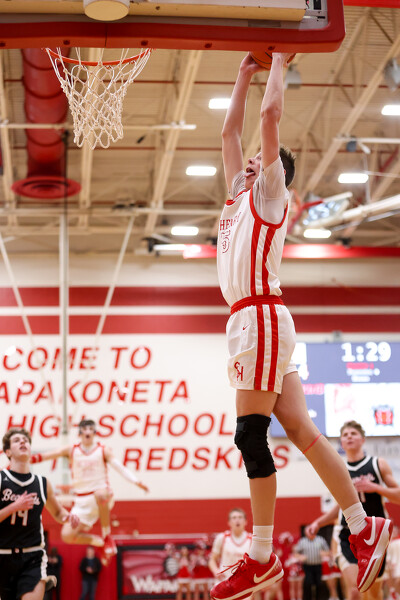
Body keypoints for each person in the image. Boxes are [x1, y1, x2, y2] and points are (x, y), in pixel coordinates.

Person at [210, 51, 393, 600]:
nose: (247, 163)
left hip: (260, 317)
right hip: (254, 321)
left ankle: (261, 557)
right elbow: (228, 133)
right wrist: (243, 73)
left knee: (250, 435)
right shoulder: (235, 198)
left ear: (272, 174)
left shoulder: (270, 196)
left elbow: (269, 119)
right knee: (303, 431)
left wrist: (280, 61)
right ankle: (363, 526)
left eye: (258, 161)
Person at [31, 419, 149, 565]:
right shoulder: (71, 450)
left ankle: (107, 536)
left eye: (90, 429)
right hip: (82, 501)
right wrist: (26, 459)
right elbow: (48, 455)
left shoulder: (102, 450)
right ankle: (99, 542)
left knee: (100, 494)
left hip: (102, 495)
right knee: (67, 535)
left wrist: (136, 481)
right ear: (80, 432)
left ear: (94, 432)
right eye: (85, 429)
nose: (87, 432)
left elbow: (119, 467)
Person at [306, 421, 400, 600]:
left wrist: (376, 488)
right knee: (356, 589)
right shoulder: (339, 469)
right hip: (347, 535)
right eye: (345, 435)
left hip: (375, 536)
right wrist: (319, 522)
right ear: (341, 442)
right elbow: (339, 507)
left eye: (353, 433)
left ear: (362, 439)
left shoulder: (378, 464)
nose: (349, 436)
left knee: (373, 592)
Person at [0, 428, 79, 600]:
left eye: (25, 440)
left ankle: (39, 579)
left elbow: (58, 512)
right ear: (8, 452)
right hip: (2, 555)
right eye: (16, 440)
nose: (22, 442)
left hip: (32, 556)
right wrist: (14, 507)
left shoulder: (42, 483)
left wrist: (67, 517)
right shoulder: (1, 479)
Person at [209, 508, 252, 582]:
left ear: (245, 522)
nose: (237, 520)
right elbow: (212, 560)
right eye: (234, 518)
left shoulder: (252, 539)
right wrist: (216, 571)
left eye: (240, 517)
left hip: (244, 582)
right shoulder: (222, 537)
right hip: (224, 581)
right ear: (229, 522)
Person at [294, 529, 330, 600]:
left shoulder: (320, 540)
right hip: (307, 566)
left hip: (318, 565)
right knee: (308, 583)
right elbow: (296, 553)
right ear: (306, 533)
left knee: (319, 583)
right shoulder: (302, 541)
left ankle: (318, 598)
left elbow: (328, 551)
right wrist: (300, 556)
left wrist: (324, 553)